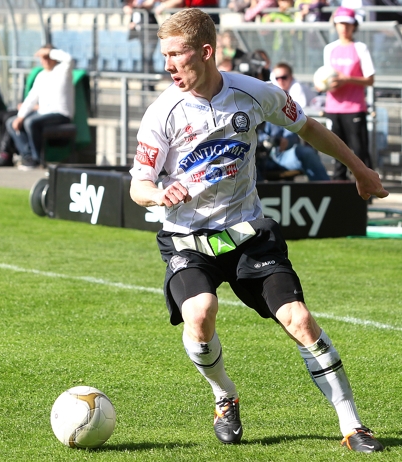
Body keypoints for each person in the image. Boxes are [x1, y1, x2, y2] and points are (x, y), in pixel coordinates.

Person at [129, 8, 388, 452]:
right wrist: (157, 195)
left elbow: (309, 128)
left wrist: (360, 170)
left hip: (248, 232)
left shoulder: (255, 94)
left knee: (300, 320)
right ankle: (223, 395)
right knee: (200, 313)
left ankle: (353, 425)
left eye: (176, 54)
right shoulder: (162, 113)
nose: (168, 64)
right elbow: (138, 184)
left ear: (206, 52)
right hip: (187, 240)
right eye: (164, 54)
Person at [322, 7, 375, 181]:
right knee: (337, 154)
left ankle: (367, 190)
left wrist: (348, 79)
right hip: (333, 107)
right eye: (340, 23)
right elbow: (327, 77)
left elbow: (370, 79)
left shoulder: (360, 48)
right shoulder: (330, 48)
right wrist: (325, 85)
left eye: (348, 24)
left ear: (354, 26)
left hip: (354, 108)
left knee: (359, 152)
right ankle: (339, 192)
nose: (344, 27)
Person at [5, 44, 74, 170]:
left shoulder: (63, 70)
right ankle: (28, 156)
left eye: (47, 56)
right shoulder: (41, 75)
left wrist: (50, 51)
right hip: (42, 113)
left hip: (61, 114)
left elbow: (68, 59)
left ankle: (37, 159)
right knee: (11, 122)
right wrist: (20, 117)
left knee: (31, 122)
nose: (45, 60)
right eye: (42, 57)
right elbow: (31, 98)